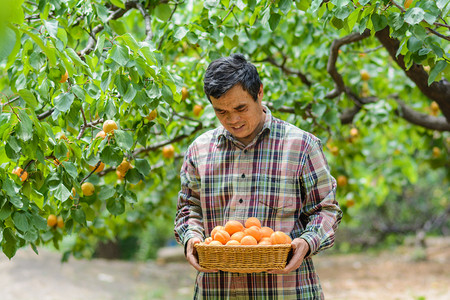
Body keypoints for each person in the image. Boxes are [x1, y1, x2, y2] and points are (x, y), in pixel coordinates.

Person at [174, 53, 342, 299]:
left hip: (286, 290)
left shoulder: (301, 146)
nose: (233, 119)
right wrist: (191, 239)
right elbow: (188, 209)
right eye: (221, 112)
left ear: (259, 92)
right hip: (218, 291)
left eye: (240, 108)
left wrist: (307, 242)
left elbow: (326, 210)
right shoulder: (199, 150)